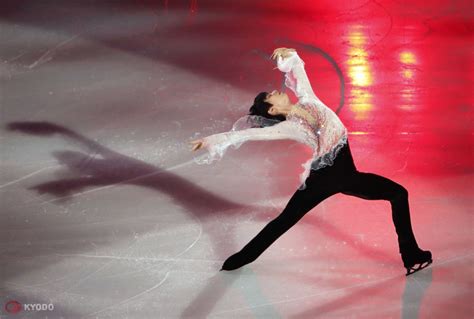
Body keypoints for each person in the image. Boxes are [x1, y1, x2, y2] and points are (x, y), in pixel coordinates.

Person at [189, 47, 432, 276]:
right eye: (271, 97)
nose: (275, 91)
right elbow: (249, 134)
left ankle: (411, 256)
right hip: (326, 178)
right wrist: (214, 139)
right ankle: (240, 259)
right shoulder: (289, 127)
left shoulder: (307, 98)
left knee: (398, 194)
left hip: (346, 174)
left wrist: (287, 54)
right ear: (272, 111)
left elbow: (297, 69)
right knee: (285, 220)